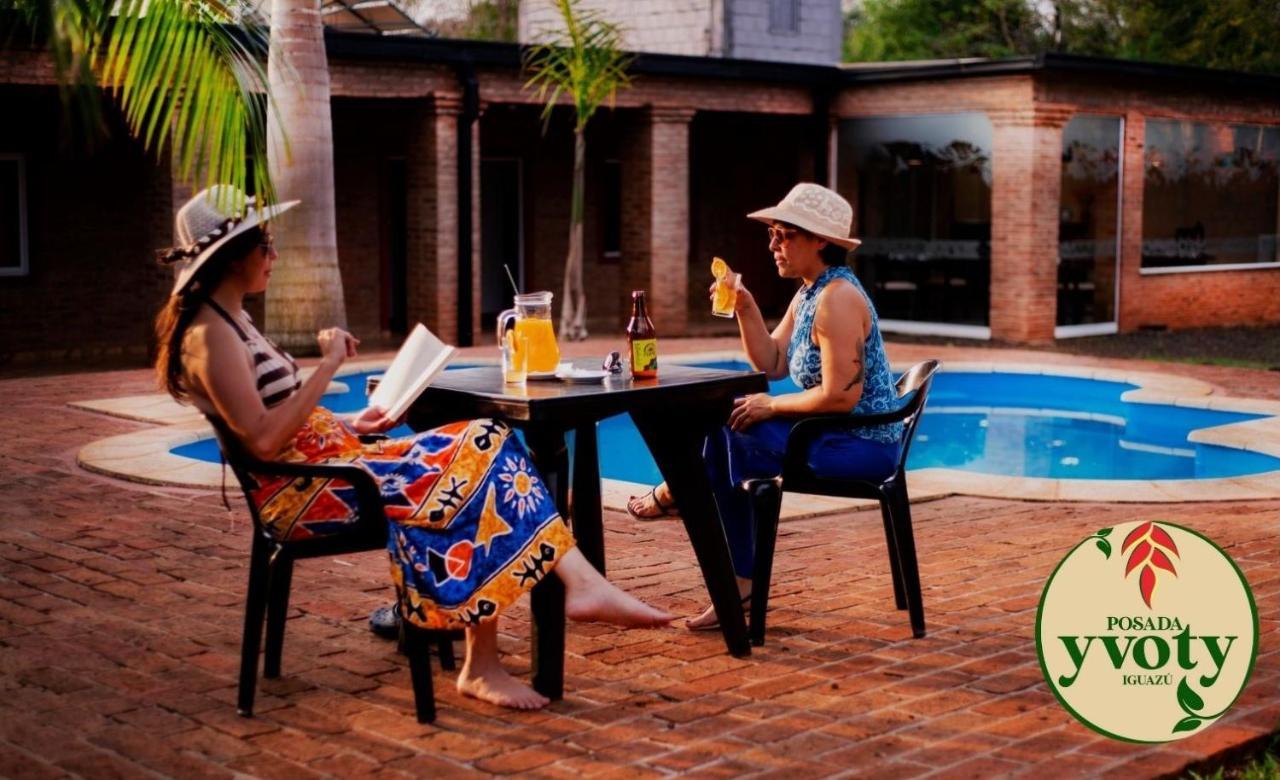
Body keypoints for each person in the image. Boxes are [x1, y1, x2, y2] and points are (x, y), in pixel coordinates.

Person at [155, 186, 671, 710]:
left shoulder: (232, 321)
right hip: (310, 495)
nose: (274, 256)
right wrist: (329, 364)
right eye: (265, 245)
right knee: (478, 458)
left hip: (334, 465)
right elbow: (263, 440)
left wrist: (357, 421)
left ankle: (527, 627)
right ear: (233, 253)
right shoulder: (208, 336)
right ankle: (557, 602)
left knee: (483, 440)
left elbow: (285, 423)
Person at [626, 183, 903, 630]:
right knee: (725, 425)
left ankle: (723, 554)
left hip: (862, 444)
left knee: (728, 431)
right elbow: (773, 363)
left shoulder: (838, 300)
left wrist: (772, 409)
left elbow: (841, 396)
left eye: (784, 235)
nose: (773, 244)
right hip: (830, 432)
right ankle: (722, 552)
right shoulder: (811, 292)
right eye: (773, 234)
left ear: (821, 241)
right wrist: (745, 306)